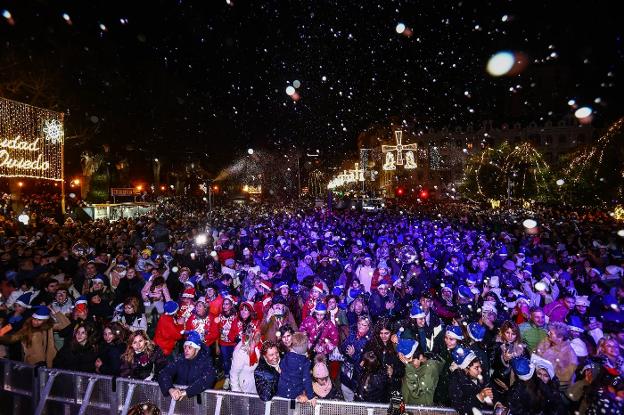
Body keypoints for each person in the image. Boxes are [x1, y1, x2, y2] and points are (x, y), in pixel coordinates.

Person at [0, 305, 70, 366]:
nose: (35, 322)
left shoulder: (49, 328)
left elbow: (66, 325)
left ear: (45, 321)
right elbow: (13, 337)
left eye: (39, 320)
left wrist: (55, 312)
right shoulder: (27, 329)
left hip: (49, 361)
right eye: (34, 319)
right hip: (32, 364)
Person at [157, 331, 216, 400]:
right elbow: (164, 372)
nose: (186, 350)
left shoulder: (206, 360)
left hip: (199, 399)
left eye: (190, 348)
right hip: (180, 397)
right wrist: (170, 388)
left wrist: (186, 392)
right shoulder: (181, 358)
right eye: (185, 347)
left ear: (197, 349)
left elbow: (207, 379)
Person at [448, 347, 495, 415]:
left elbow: (493, 392)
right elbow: (461, 409)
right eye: (476, 368)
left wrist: (497, 403)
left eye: (480, 366)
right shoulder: (456, 383)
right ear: (466, 369)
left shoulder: (481, 377)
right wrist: (479, 397)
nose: (480, 370)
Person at [536, 321, 578, 391]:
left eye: (551, 333)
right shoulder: (547, 341)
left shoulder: (569, 353)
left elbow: (566, 376)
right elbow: (538, 353)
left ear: (560, 337)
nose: (548, 333)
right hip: (540, 379)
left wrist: (548, 376)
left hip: (554, 387)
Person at [276, 332, 315, 405]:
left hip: (282, 391)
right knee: (292, 408)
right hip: (295, 394)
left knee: (283, 409)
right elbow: (306, 380)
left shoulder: (286, 357)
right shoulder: (305, 362)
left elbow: (280, 368)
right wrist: (311, 396)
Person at [340, 315, 373, 400]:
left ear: (368, 327)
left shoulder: (371, 340)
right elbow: (343, 347)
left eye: (364, 325)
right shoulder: (352, 332)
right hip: (348, 367)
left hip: (359, 371)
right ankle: (349, 406)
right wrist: (347, 349)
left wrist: (353, 354)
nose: (361, 326)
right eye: (359, 324)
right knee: (345, 388)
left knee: (358, 392)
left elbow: (367, 360)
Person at [230, 326, 261, 393]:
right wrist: (236, 391)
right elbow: (234, 374)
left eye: (259, 336)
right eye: (257, 336)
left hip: (253, 381)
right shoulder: (240, 352)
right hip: (244, 384)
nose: (259, 339)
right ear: (251, 337)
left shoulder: (257, 346)